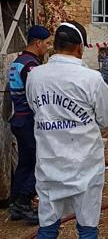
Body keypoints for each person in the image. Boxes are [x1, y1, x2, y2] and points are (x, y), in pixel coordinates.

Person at [26, 21, 108, 238]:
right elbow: (107, 117)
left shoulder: (35, 76)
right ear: (79, 47)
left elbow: (35, 109)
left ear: (55, 45)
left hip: (49, 166)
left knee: (47, 227)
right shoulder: (92, 79)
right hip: (84, 167)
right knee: (87, 228)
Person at [8, 25, 51, 223]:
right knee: (37, 162)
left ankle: (15, 204)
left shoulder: (17, 62)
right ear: (37, 43)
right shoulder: (31, 66)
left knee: (24, 163)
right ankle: (24, 203)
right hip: (27, 120)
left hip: (17, 119)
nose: (48, 47)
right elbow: (37, 96)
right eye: (47, 43)